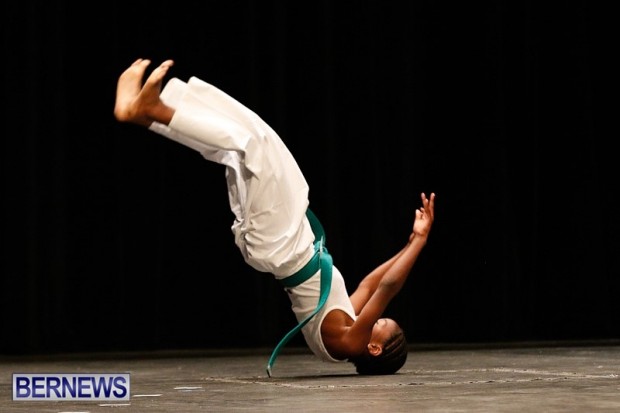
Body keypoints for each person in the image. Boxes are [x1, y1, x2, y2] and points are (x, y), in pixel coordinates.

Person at [114, 58, 436, 376]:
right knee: (245, 143)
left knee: (253, 145)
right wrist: (409, 243)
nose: (375, 315)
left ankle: (154, 110)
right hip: (284, 242)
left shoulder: (347, 343)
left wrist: (420, 242)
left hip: (282, 245)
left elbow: (387, 288)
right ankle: (148, 113)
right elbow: (371, 283)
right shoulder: (346, 321)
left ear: (375, 348)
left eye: (380, 322)